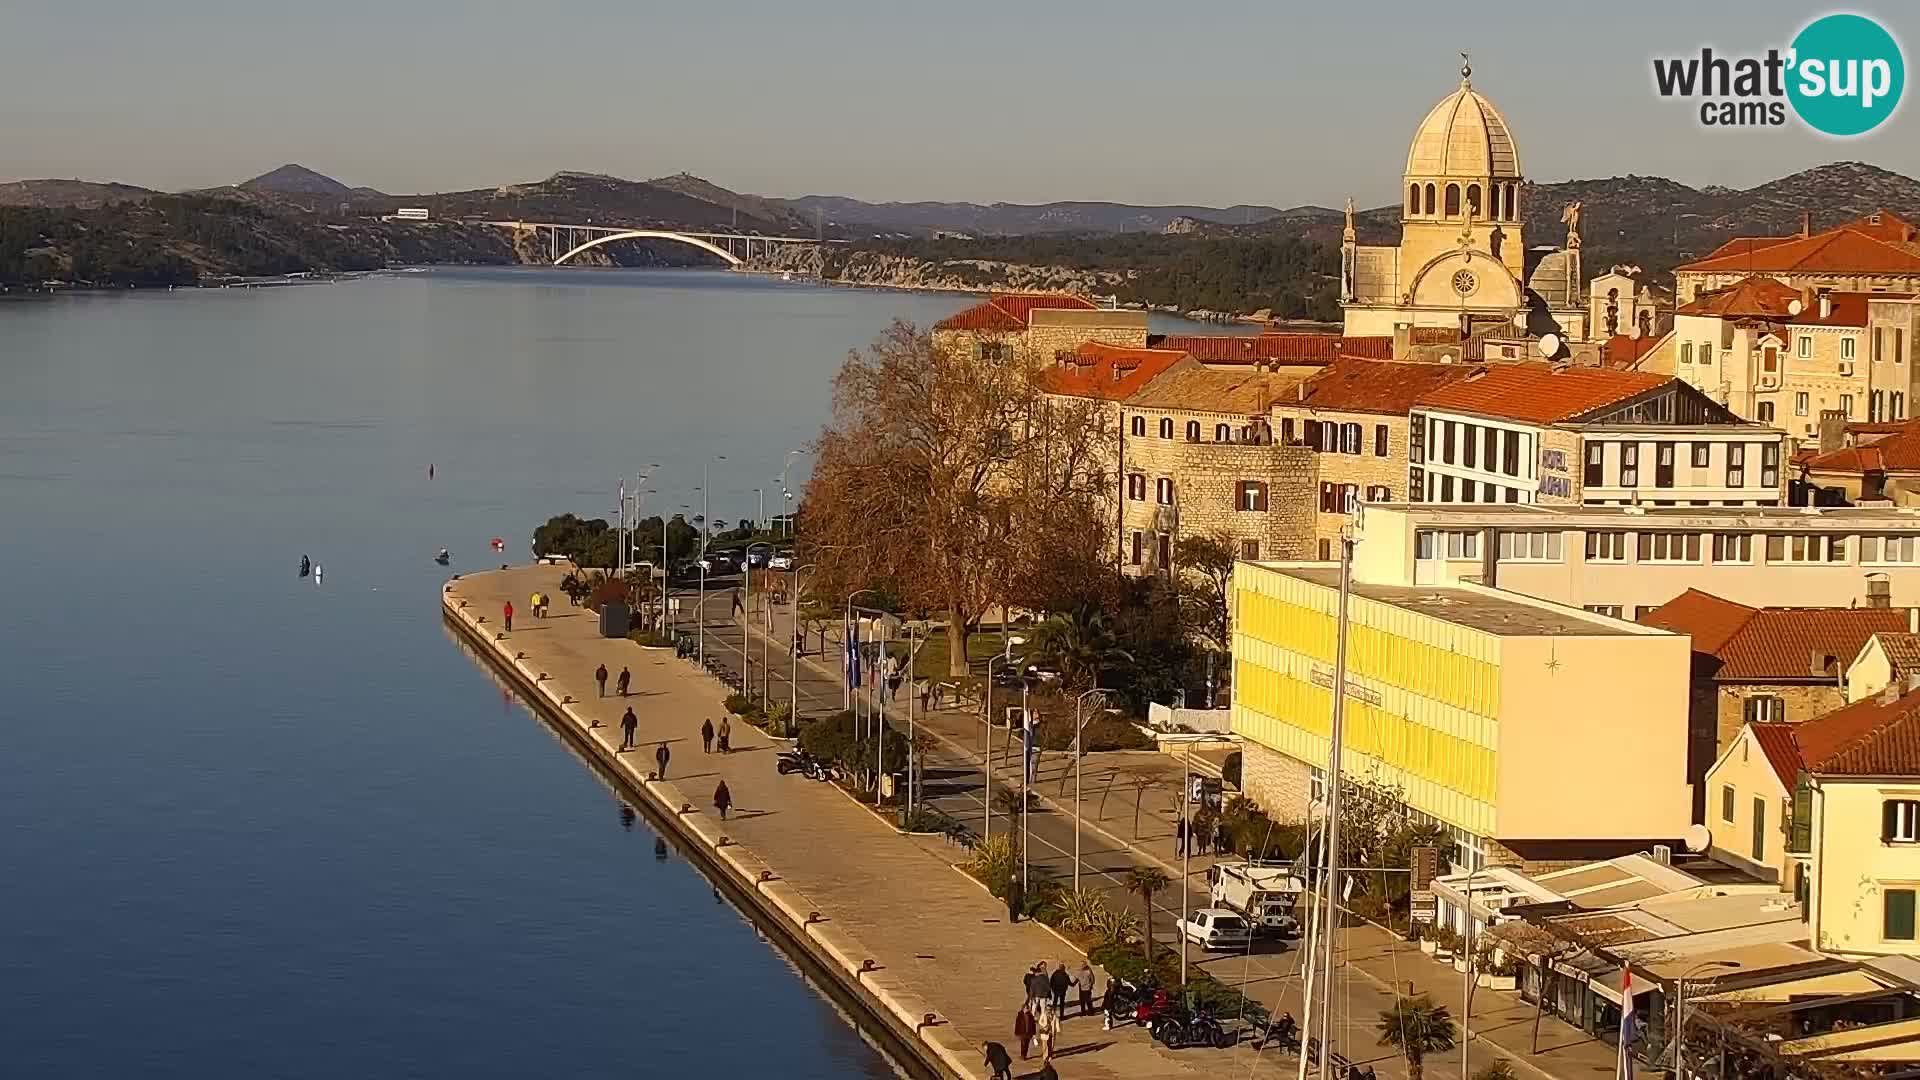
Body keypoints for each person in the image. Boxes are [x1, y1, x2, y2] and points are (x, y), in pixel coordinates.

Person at [1033, 998, 1060, 1062]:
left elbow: (1057, 1023)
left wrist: (1058, 1029)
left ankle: (1050, 1055)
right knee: (1044, 1045)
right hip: (1045, 1032)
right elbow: (1040, 1022)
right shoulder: (1043, 1015)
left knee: (1051, 1045)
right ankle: (1045, 1056)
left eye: (1049, 1009)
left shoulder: (1054, 1016)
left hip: (1051, 1032)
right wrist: (1044, 1025)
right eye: (1047, 1009)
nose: (1048, 1011)